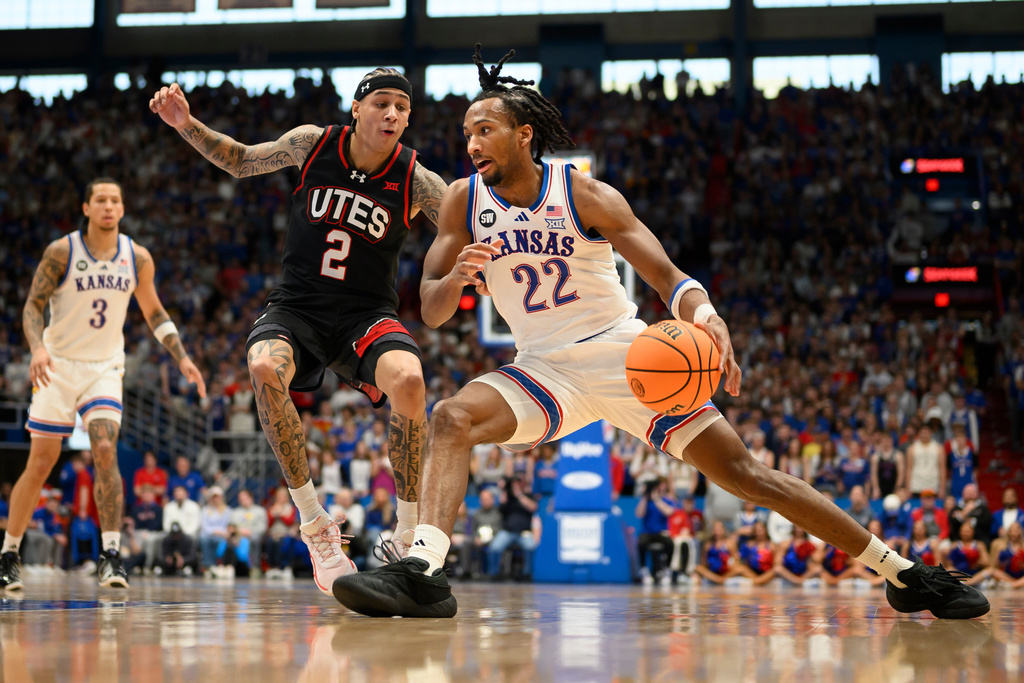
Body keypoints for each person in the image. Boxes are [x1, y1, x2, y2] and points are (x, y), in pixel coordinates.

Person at [330, 45, 989, 620]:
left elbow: (669, 275)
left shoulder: (584, 195)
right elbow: (434, 309)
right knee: (451, 416)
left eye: (485, 129)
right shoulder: (462, 202)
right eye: (466, 132)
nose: (471, 144)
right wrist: (457, 277)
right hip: (542, 370)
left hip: (627, 356)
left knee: (750, 475)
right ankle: (423, 572)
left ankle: (903, 571)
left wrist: (707, 318)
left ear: (524, 134)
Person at [150, 67, 448, 596]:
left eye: (403, 107)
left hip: (366, 314)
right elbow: (241, 160)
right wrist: (186, 124)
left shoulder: (417, 180)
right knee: (264, 367)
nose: (393, 114)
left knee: (409, 379)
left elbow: (464, 223)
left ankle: (406, 537)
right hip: (298, 308)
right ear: (357, 109)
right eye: (382, 102)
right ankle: (315, 525)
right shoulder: (313, 144)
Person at [0, 178, 206, 592]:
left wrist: (181, 356)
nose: (109, 206)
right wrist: (37, 348)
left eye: (115, 200)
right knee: (41, 463)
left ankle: (111, 555)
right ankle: (9, 552)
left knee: (106, 446)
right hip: (56, 365)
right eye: (101, 200)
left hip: (104, 367)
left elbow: (155, 312)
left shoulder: (137, 257)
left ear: (123, 209)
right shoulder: (62, 251)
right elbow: (32, 307)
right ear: (87, 207)